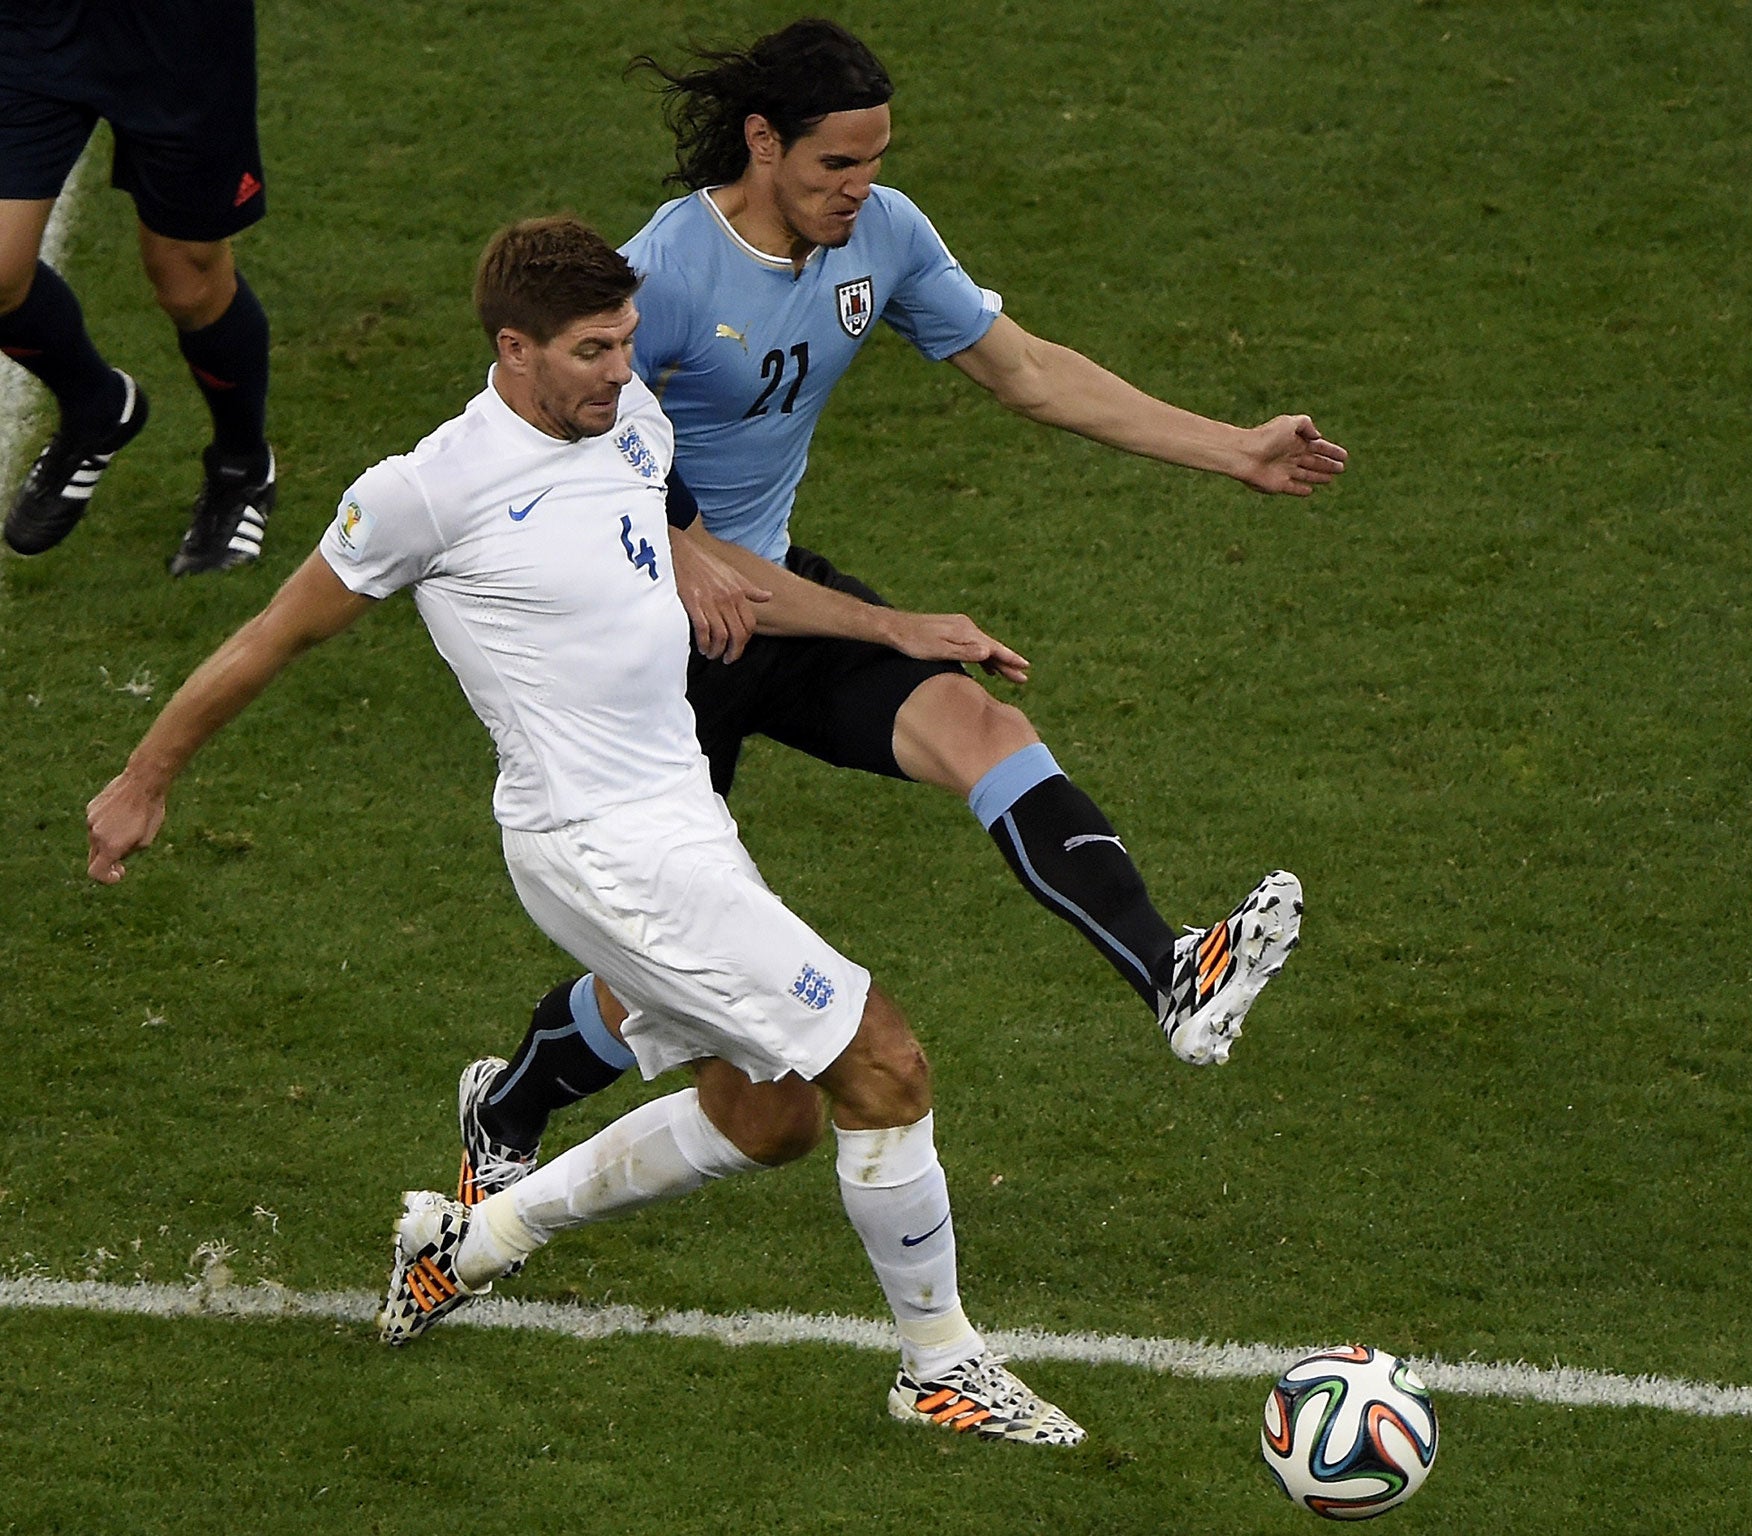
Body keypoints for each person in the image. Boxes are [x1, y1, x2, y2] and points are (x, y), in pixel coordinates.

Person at [86, 215, 1082, 1445]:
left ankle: (473, 1242)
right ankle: (937, 1366)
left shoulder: (629, 424)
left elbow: (712, 561)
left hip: (678, 819)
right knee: (884, 1061)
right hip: (599, 846)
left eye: (626, 342)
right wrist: (145, 778)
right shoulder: (426, 492)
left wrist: (892, 627)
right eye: (595, 349)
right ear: (514, 348)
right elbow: (269, 638)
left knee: (770, 1114)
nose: (625, 368)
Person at [458, 18, 1323, 1203]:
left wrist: (1233, 450)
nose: (858, 192)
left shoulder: (884, 235)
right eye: (833, 169)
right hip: (648, 654)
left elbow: (1024, 370)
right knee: (678, 989)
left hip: (780, 603)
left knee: (982, 732)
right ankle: (507, 1103)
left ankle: (1170, 968)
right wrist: (678, 547)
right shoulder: (657, 276)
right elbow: (550, 441)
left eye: (872, 164)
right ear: (762, 143)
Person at [0, 0, 275, 574]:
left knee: (188, 279)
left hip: (175, 33)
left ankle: (241, 465)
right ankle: (96, 406)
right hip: (29, 24)